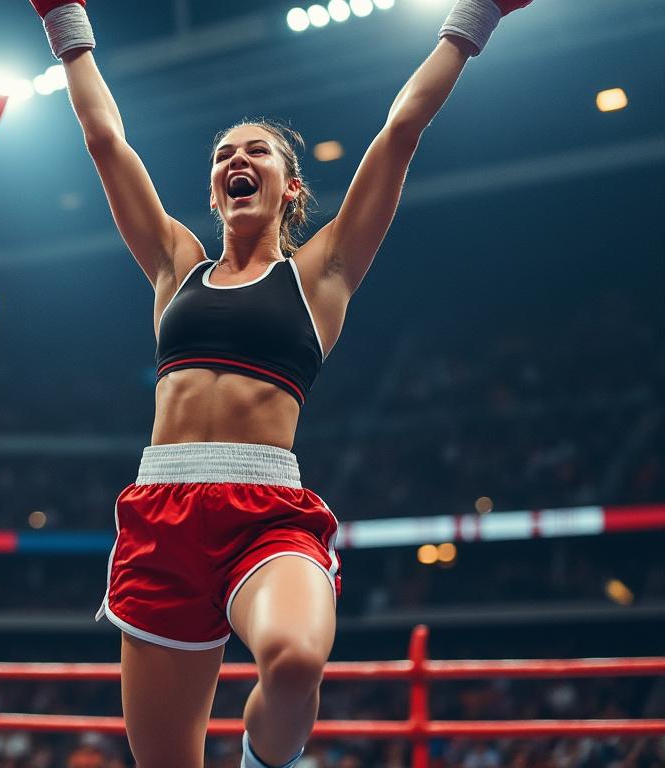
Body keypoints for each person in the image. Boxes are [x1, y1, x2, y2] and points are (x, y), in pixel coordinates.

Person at [26, 1, 536, 766]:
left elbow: (399, 132)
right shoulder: (176, 265)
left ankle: (269, 762)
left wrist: (478, 14)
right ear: (212, 191)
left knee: (296, 661)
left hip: (265, 511)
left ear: (289, 188)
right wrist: (62, 16)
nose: (238, 158)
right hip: (161, 513)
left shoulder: (321, 274)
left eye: (256, 151)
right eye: (224, 152)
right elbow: (105, 140)